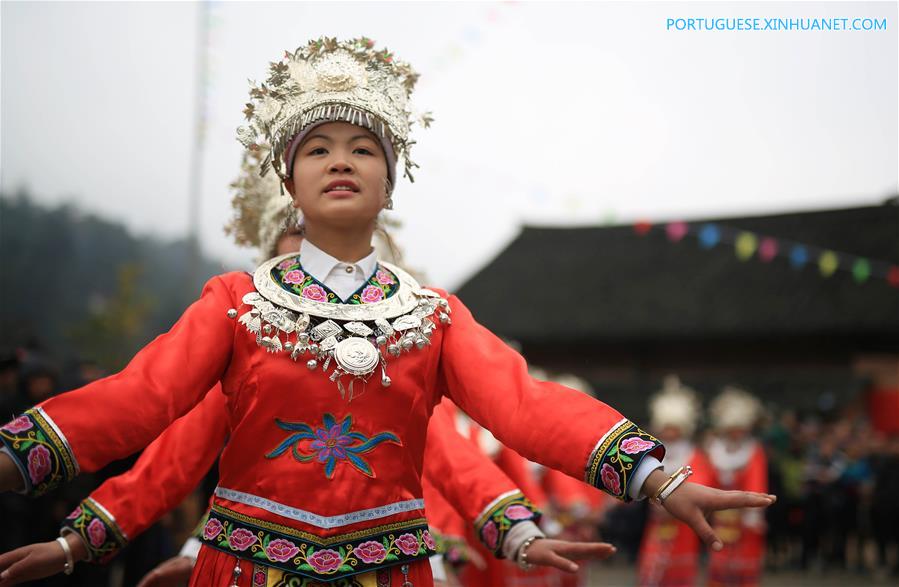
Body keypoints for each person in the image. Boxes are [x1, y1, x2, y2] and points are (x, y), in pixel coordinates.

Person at [0, 37, 775, 587]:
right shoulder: (236, 303)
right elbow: (143, 404)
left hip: (393, 571)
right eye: (317, 148)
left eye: (362, 147)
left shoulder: (430, 316)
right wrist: (73, 532)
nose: (341, 159)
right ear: (291, 184)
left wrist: (655, 478)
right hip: (245, 571)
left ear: (391, 182)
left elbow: (522, 405)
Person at [636, 376, 713, 587]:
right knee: (652, 571)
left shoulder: (695, 455)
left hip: (682, 524)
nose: (669, 433)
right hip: (657, 522)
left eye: (674, 428)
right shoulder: (653, 453)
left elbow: (700, 483)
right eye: (666, 428)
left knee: (679, 575)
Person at [706, 387, 768, 587]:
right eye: (732, 429)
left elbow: (757, 482)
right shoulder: (714, 451)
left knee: (744, 564)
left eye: (740, 429)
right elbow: (707, 481)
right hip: (721, 517)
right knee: (720, 562)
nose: (736, 433)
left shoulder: (754, 452)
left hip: (744, 517)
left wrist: (753, 511)